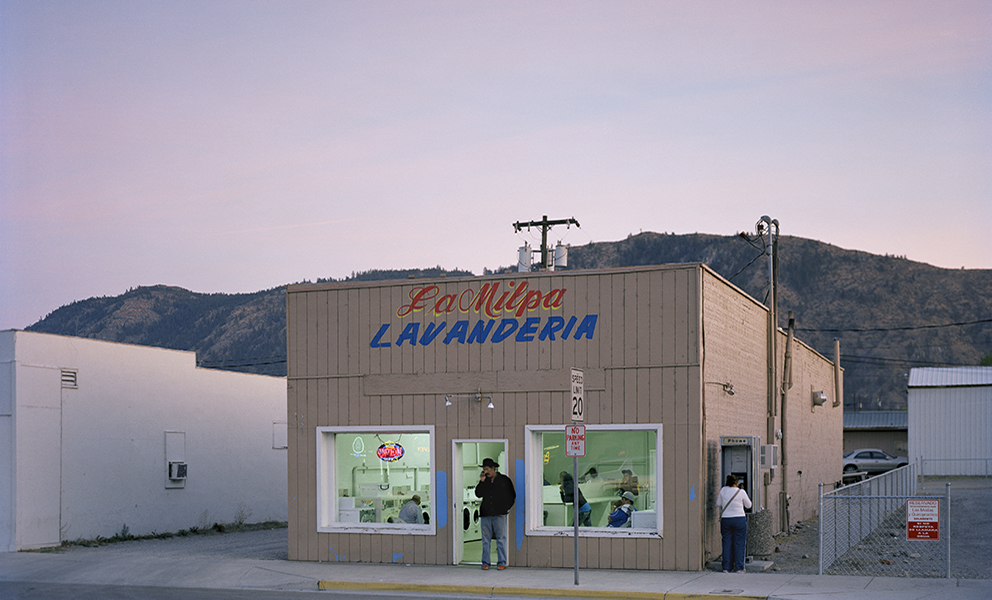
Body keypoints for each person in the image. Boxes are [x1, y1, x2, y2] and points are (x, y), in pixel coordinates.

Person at [475, 457, 515, 570]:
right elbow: (478, 494)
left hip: (500, 513)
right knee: (485, 539)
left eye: (487, 469)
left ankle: (502, 562)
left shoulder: (504, 480)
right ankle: (485, 563)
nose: (485, 471)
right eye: (484, 469)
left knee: (501, 538)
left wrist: (506, 508)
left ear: (493, 468)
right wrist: (481, 481)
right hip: (486, 513)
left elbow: (512, 496)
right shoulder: (484, 481)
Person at [718, 474, 752, 573]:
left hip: (726, 519)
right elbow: (749, 505)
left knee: (726, 543)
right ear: (737, 483)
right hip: (739, 519)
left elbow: (718, 503)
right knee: (739, 543)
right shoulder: (741, 492)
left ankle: (726, 567)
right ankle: (739, 567)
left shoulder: (723, 490)